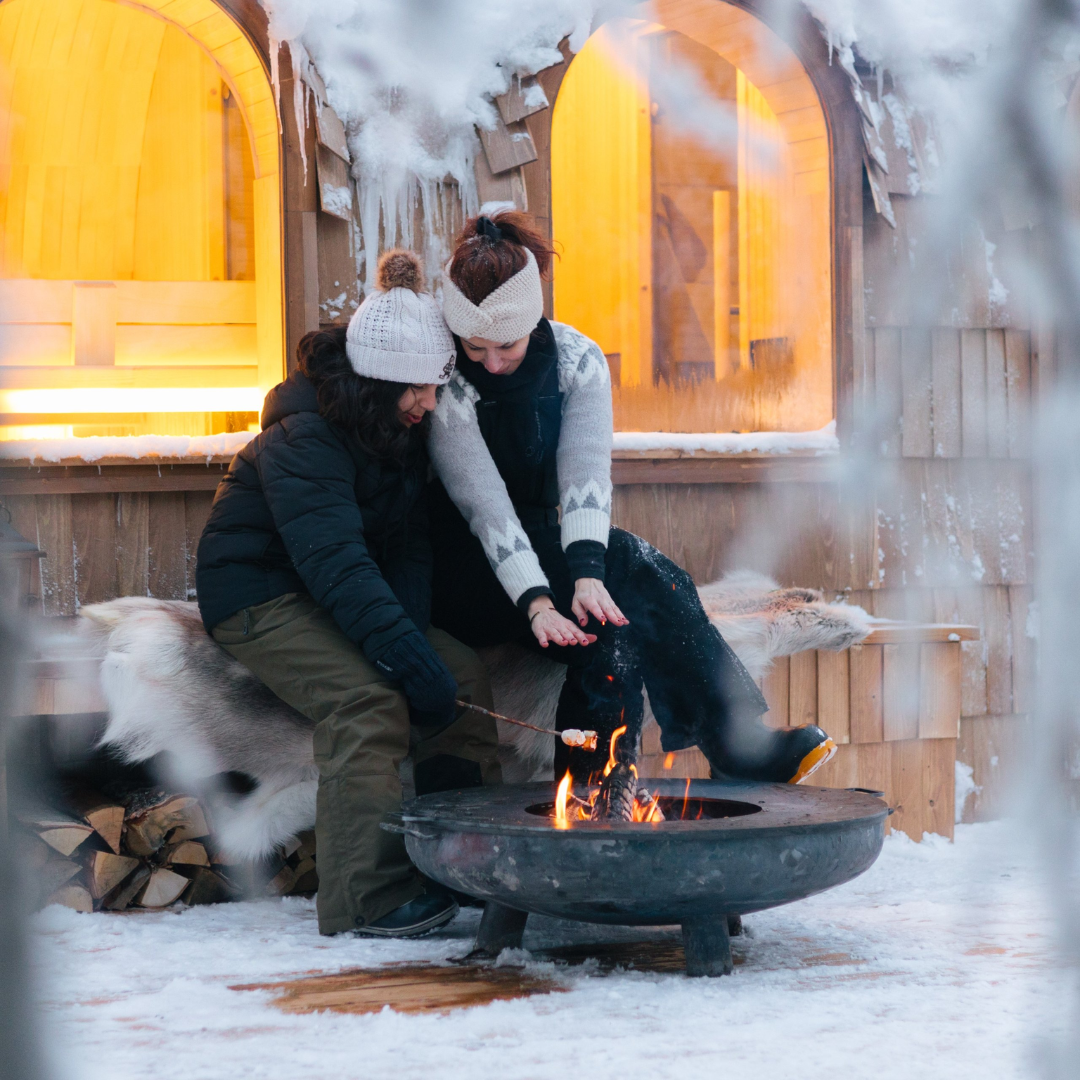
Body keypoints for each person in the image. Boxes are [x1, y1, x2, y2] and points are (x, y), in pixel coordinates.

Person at [427, 212, 835, 785]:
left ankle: (591, 795)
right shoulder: (447, 375)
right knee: (634, 561)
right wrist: (541, 602)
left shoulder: (577, 360)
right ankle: (734, 743)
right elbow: (484, 507)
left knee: (610, 625)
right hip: (461, 567)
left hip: (545, 552)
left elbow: (585, 481)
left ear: (534, 318)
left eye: (506, 346)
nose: (491, 362)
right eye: (476, 346)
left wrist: (587, 574)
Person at [196, 250, 499, 938]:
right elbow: (337, 565)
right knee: (366, 702)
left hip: (332, 592)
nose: (430, 401)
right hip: (258, 595)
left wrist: (415, 642)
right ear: (377, 382)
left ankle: (464, 860)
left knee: (463, 677)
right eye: (418, 388)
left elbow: (407, 547)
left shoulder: (395, 431)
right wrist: (400, 660)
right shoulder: (304, 438)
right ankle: (371, 898)